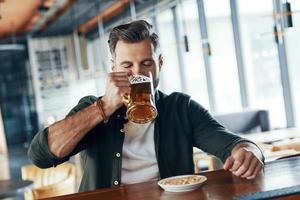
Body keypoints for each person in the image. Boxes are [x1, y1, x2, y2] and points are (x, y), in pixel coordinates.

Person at [28, 20, 264, 192]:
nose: (138, 74)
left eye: (146, 63)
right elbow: (40, 155)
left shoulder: (181, 107)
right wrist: (104, 107)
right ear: (113, 67)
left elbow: (232, 143)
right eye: (127, 65)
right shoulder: (93, 107)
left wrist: (249, 152)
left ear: (160, 63)